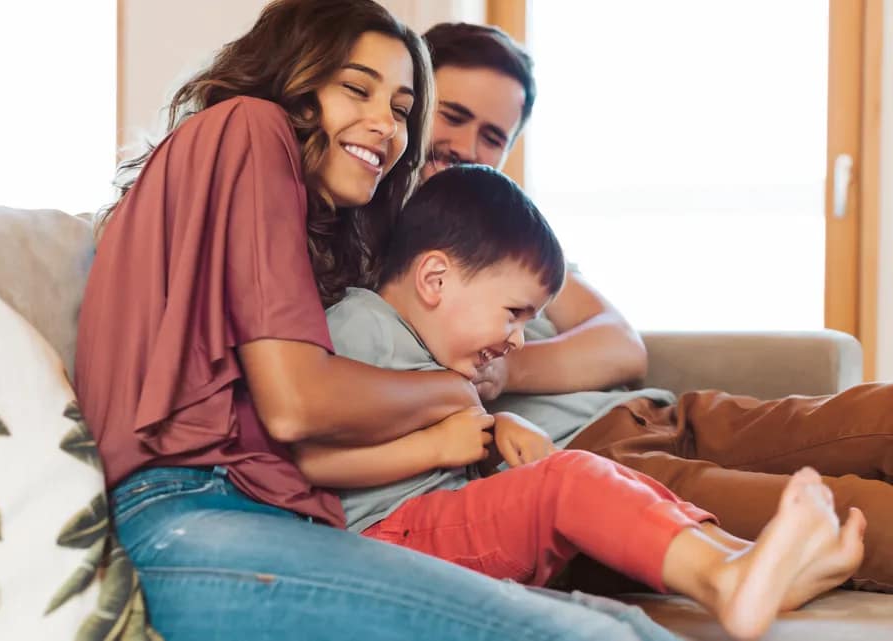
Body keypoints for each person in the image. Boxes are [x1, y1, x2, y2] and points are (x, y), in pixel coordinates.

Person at [74, 2, 689, 640]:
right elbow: (296, 405)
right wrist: (455, 391)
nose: (386, 127)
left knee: (616, 622)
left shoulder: (300, 215)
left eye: (399, 109)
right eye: (356, 89)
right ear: (296, 82)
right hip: (188, 515)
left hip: (266, 513)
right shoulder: (250, 127)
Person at [418, 21, 893, 593]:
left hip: (659, 416)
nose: (468, 148)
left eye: (493, 136)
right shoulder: (382, 249)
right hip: (597, 468)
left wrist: (508, 368)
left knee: (879, 414)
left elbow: (620, 344)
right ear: (413, 103)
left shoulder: (510, 234)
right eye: (453, 116)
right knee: (858, 514)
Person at [304, 164, 864, 641]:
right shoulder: (361, 325)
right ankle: (724, 580)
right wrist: (432, 447)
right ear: (434, 278)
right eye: (514, 313)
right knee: (569, 481)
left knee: (597, 472)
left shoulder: (436, 357)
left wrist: (499, 428)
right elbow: (308, 461)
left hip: (438, 519)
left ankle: (744, 557)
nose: (520, 339)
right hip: (390, 537)